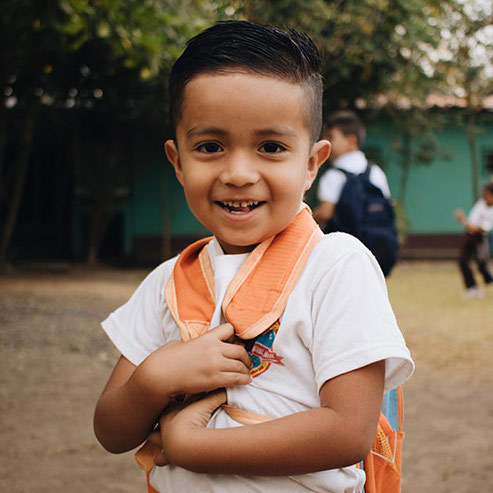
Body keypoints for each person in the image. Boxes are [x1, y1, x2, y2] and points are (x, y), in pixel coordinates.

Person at [93, 21, 414, 493]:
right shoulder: (169, 282)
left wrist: (189, 446)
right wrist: (152, 380)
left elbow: (348, 432)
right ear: (177, 161)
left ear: (311, 163)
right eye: (209, 147)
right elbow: (111, 431)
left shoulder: (336, 266)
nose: (239, 173)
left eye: (270, 147)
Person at [312, 110, 392, 231]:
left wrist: (307, 217)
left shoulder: (333, 175)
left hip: (343, 246)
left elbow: (325, 213)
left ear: (351, 141)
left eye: (330, 137)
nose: (325, 142)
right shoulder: (376, 171)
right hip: (374, 245)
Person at [454, 182, 493, 298]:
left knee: (482, 266)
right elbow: (471, 224)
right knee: (462, 260)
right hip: (469, 236)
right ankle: (472, 287)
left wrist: (462, 220)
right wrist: (466, 222)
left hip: (480, 238)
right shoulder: (480, 204)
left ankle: (488, 279)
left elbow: (477, 228)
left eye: (486, 194)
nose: (484, 196)